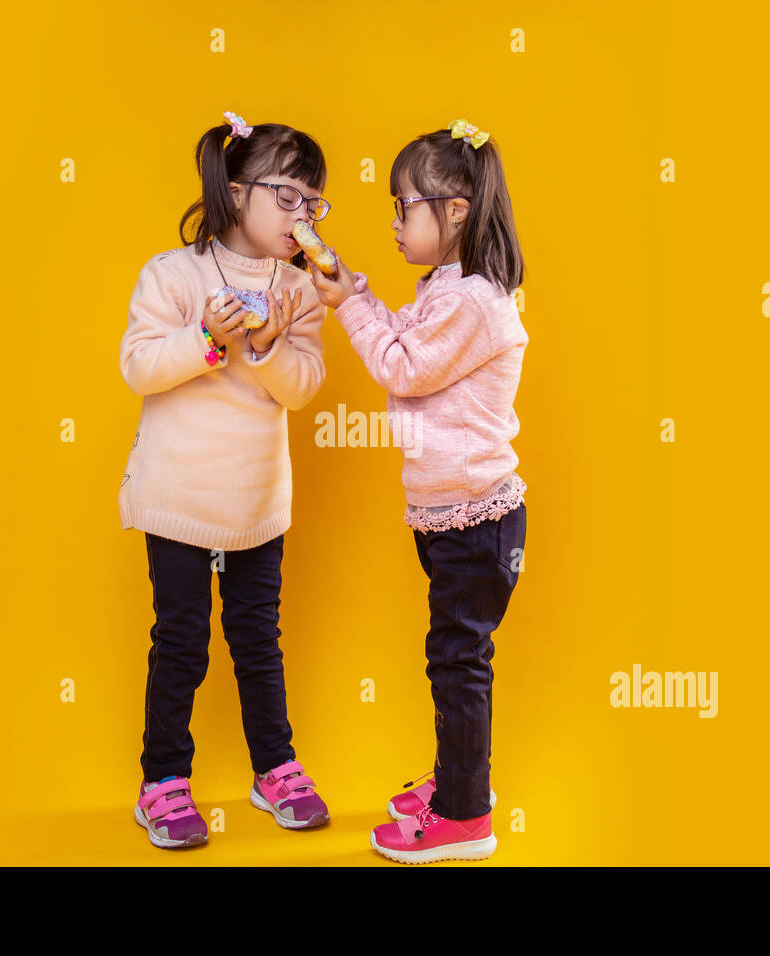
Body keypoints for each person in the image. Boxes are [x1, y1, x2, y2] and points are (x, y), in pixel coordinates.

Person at [306, 118, 528, 864]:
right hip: (451, 513)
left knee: (458, 659)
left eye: (405, 207)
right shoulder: (447, 288)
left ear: (455, 210)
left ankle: (465, 816)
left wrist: (346, 306)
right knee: (455, 656)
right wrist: (359, 293)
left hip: (474, 518)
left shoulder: (474, 302)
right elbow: (408, 339)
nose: (396, 223)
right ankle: (460, 778)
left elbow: (403, 367)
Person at [119, 110, 331, 848]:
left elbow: (302, 387)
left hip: (256, 499)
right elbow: (139, 366)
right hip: (177, 495)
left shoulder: (299, 289)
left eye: (314, 202)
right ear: (237, 192)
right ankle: (163, 782)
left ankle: (274, 767)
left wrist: (269, 346)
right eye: (289, 197)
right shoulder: (171, 274)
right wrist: (206, 339)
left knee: (257, 638)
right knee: (181, 639)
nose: (303, 215)